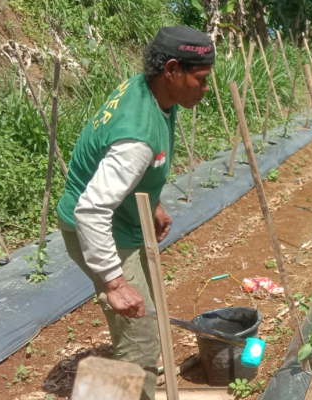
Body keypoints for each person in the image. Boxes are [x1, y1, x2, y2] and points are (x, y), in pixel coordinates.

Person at [56, 25, 213, 399]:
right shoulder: (138, 137)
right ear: (173, 69)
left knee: (145, 320)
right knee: (140, 338)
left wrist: (151, 200)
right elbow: (91, 210)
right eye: (202, 79)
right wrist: (114, 282)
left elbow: (118, 167)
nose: (207, 90)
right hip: (97, 226)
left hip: (119, 219)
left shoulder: (151, 90)